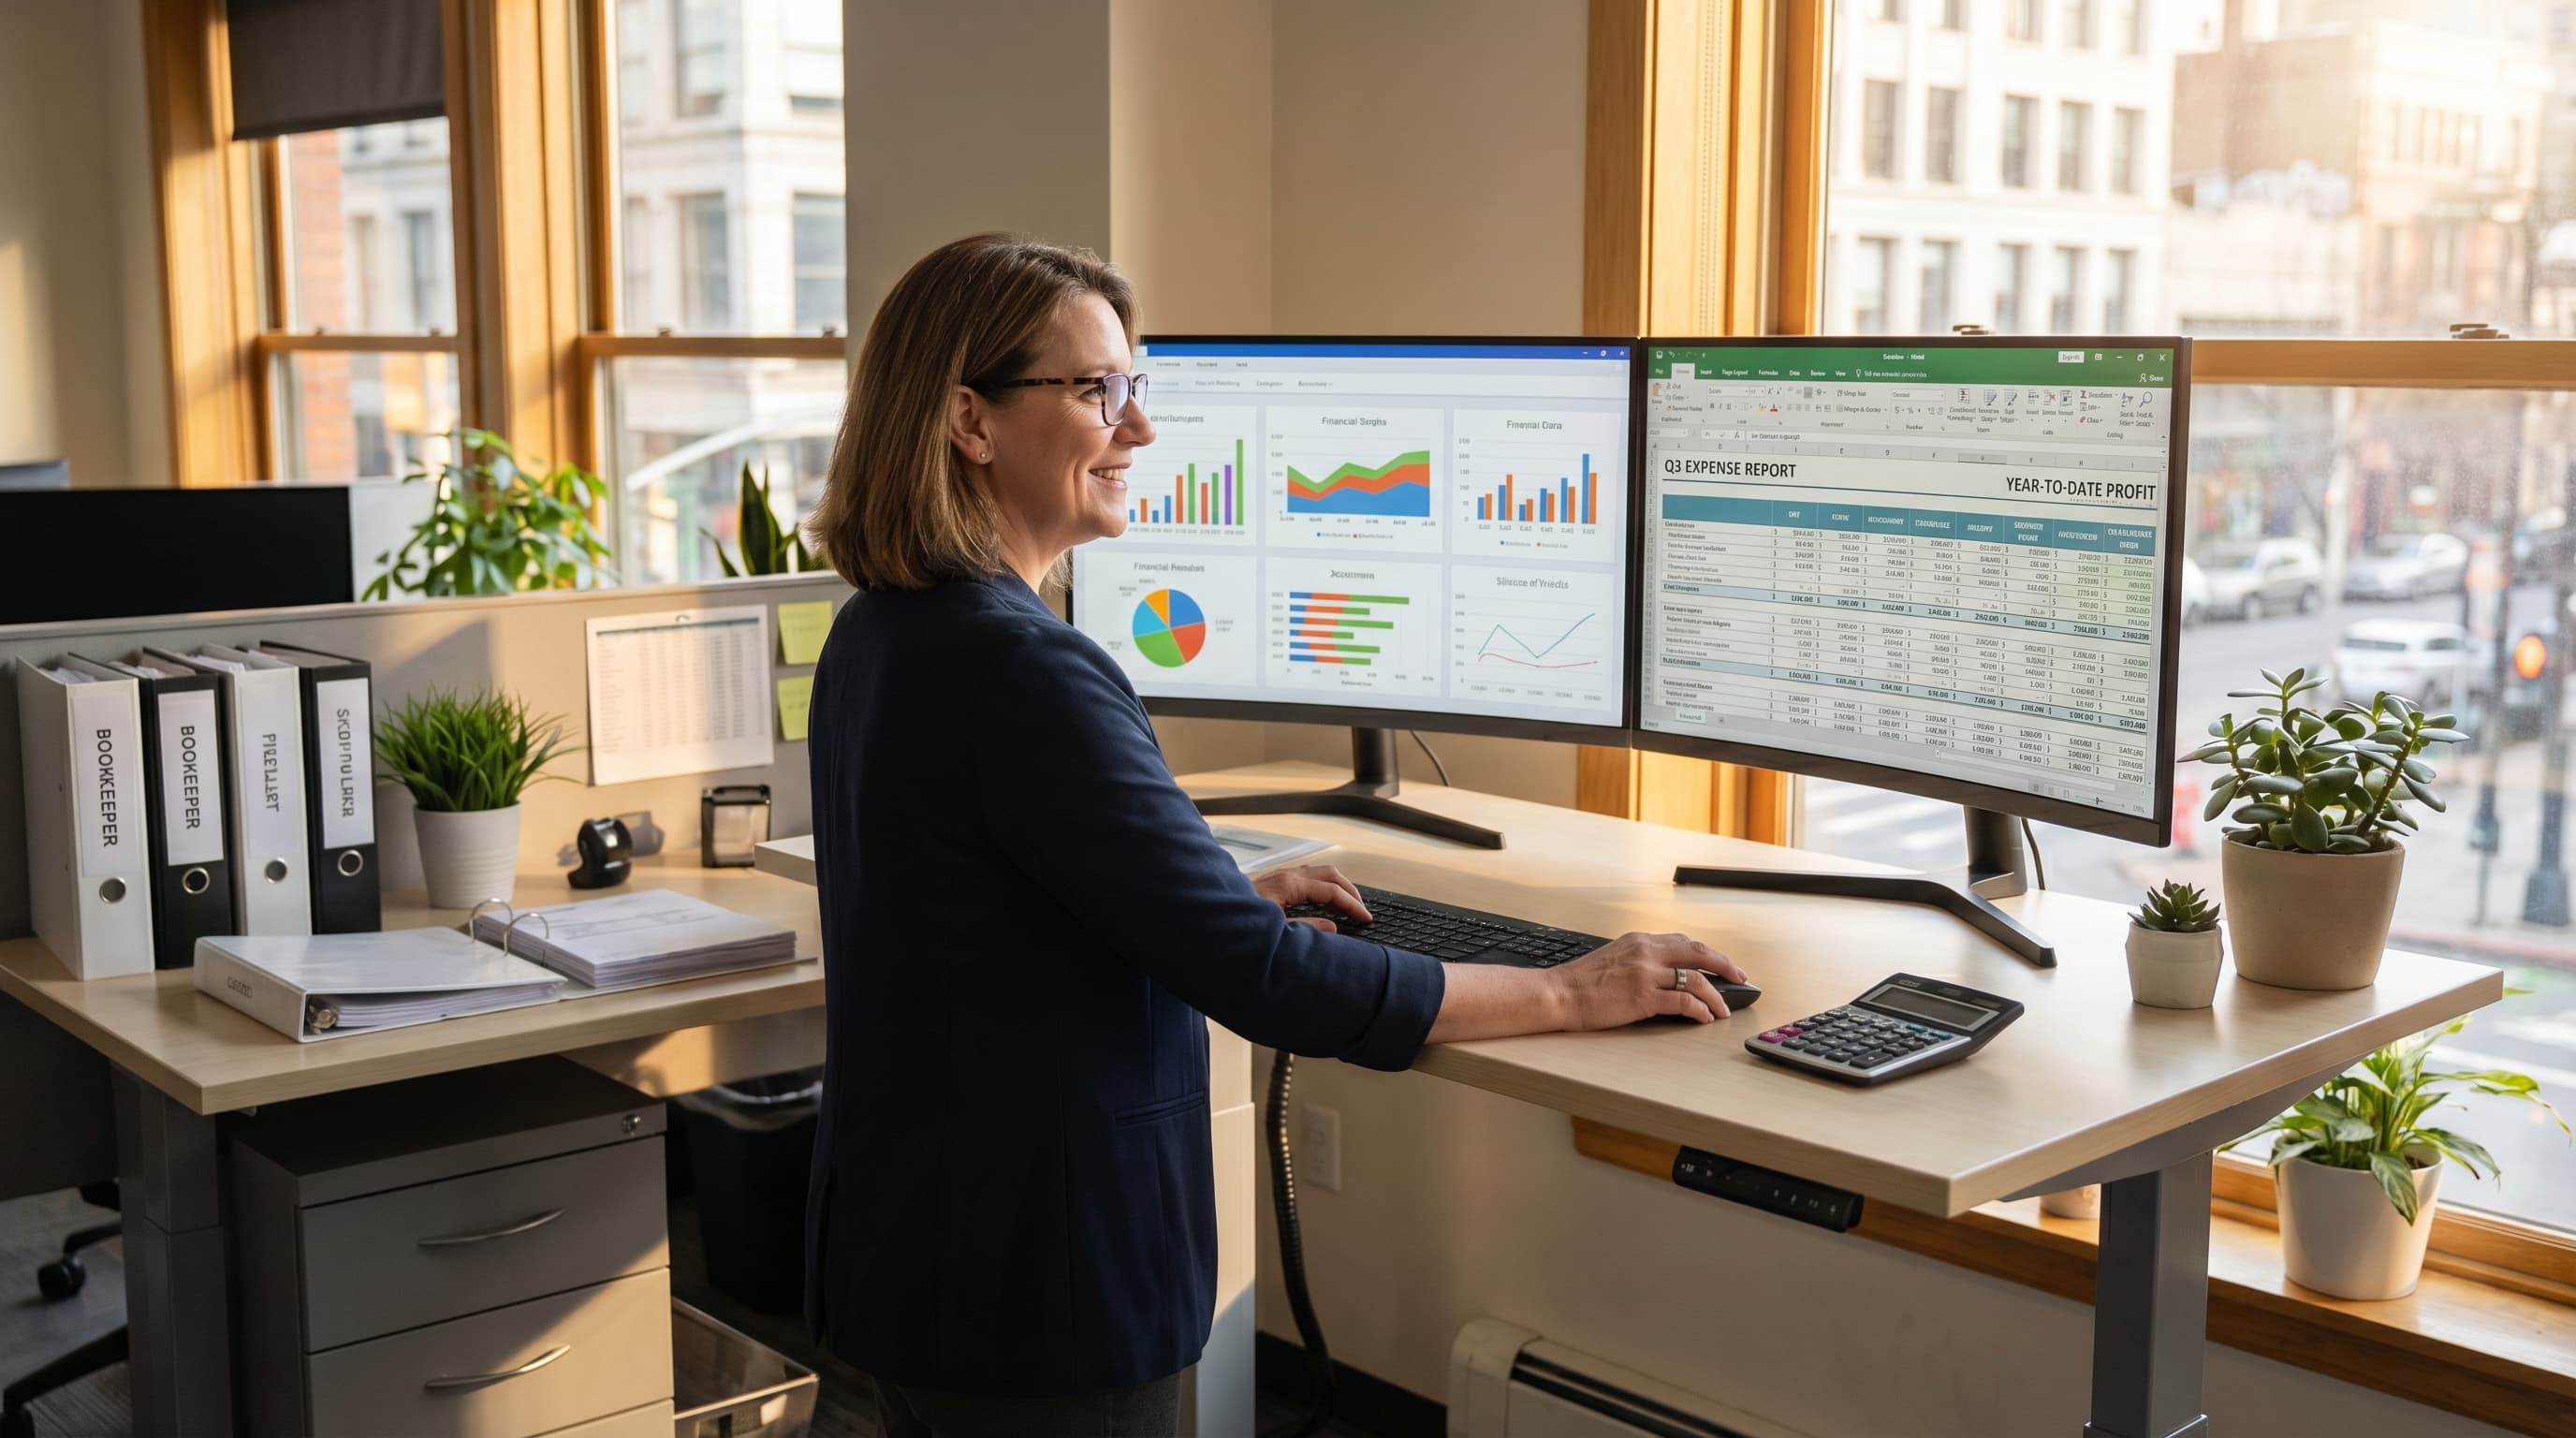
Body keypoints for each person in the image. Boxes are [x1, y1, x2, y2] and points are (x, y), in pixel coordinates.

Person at [802, 233, 1744, 1438]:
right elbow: (1269, 983)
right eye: (1098, 391)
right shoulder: (1023, 668)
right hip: (1039, 1294)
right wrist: (1569, 989)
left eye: (1134, 387)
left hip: (910, 1258)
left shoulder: (884, 629)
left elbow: (985, 909)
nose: (1140, 429)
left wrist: (1198, 897)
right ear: (968, 420)